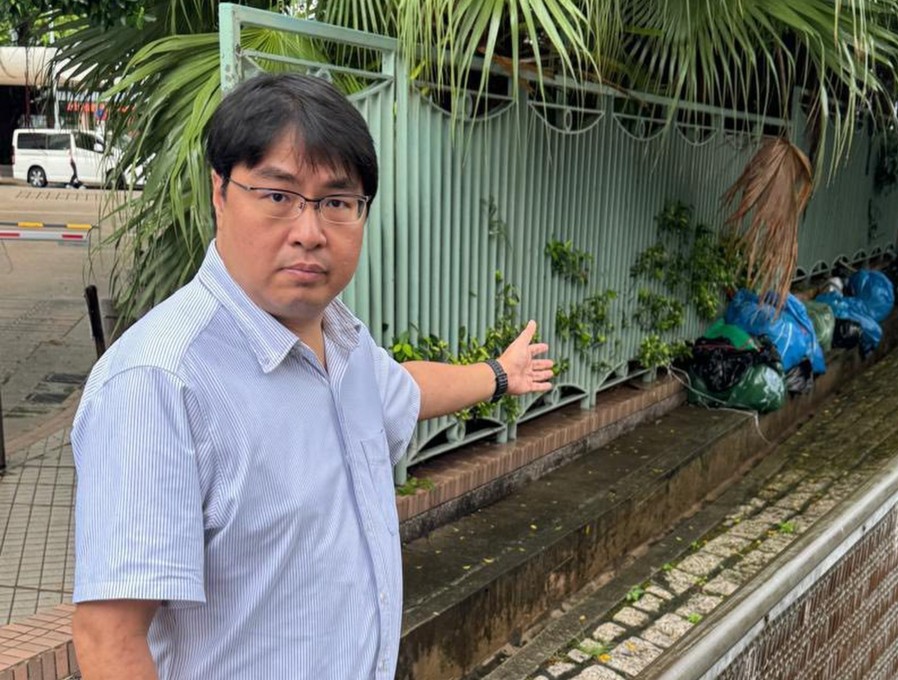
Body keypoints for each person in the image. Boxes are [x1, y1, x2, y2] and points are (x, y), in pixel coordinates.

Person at [70, 72, 554, 679]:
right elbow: (109, 637)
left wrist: (499, 375)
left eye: (336, 202)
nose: (309, 231)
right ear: (220, 192)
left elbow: (404, 390)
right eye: (278, 196)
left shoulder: (341, 343)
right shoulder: (157, 382)